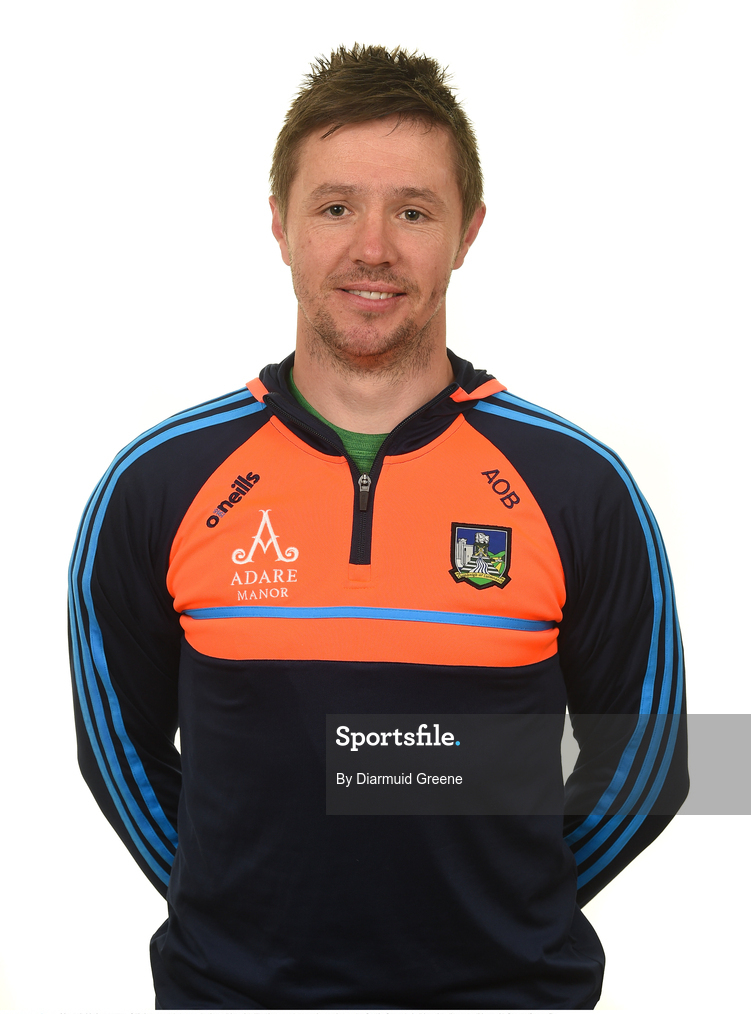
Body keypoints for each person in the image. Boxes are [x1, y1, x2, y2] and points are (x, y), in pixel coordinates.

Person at [69, 44, 688, 1010]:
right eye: (334, 207)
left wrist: (508, 917)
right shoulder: (157, 484)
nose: (372, 249)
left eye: (412, 211)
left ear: (466, 231)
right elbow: (117, 750)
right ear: (279, 225)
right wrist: (232, 915)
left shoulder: (578, 485)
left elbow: (648, 763)